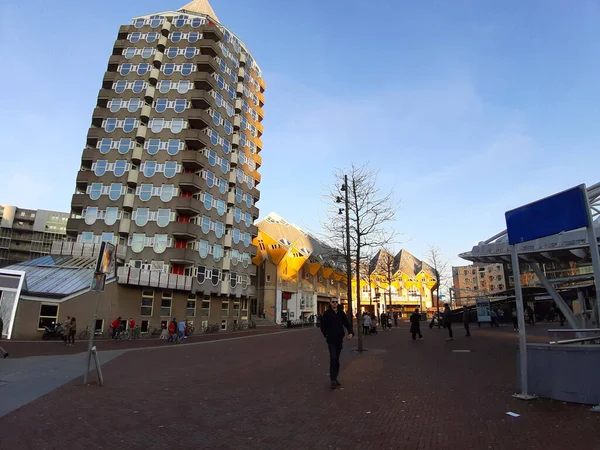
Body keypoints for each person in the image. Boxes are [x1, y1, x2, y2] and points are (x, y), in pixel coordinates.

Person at [320, 298, 354, 389]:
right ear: (330, 303)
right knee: (333, 357)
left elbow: (347, 323)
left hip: (339, 339)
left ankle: (335, 378)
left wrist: (351, 332)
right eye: (333, 302)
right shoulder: (327, 314)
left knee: (337, 359)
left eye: (336, 302)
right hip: (331, 340)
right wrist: (326, 334)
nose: (334, 303)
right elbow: (322, 325)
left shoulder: (341, 313)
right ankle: (333, 380)